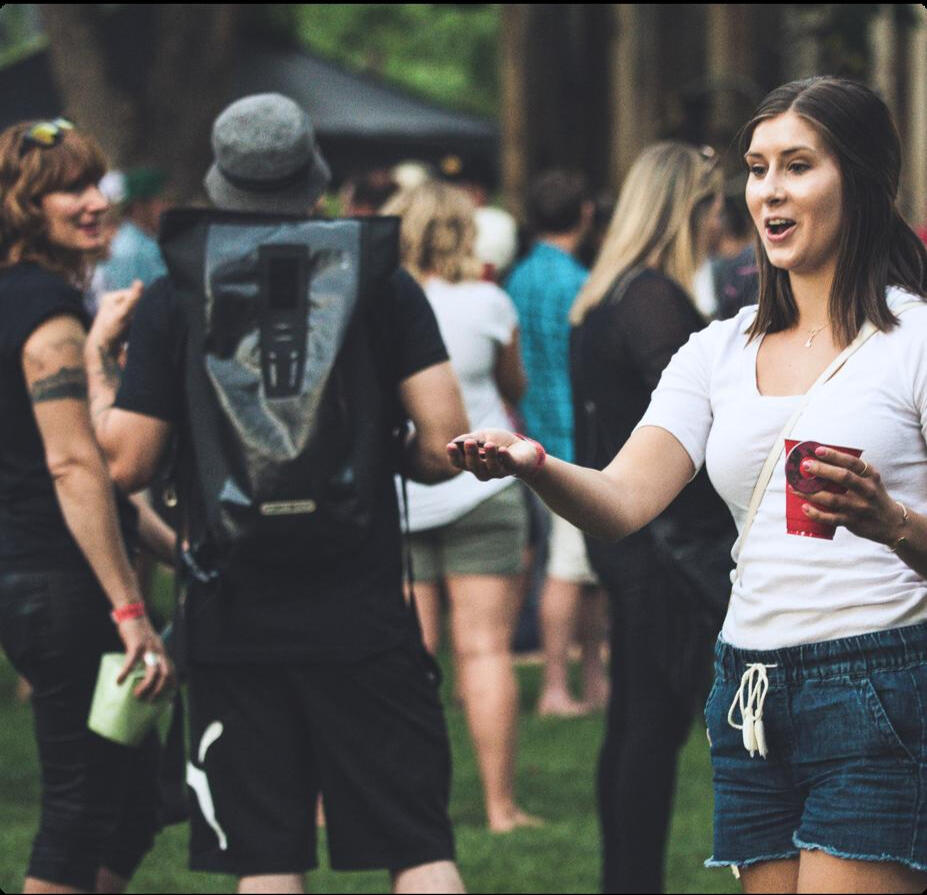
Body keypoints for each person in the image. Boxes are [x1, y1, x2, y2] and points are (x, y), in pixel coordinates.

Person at [448, 76, 927, 894]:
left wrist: (889, 521)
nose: (767, 191)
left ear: (863, 179)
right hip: (748, 690)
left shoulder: (911, 339)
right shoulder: (716, 350)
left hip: (879, 683)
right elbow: (622, 499)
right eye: (755, 166)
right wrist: (536, 466)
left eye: (797, 165)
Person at [84, 93, 468, 895]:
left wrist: (97, 365)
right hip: (362, 608)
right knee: (418, 847)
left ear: (221, 186)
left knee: (265, 857)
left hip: (231, 612)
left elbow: (125, 466)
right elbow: (443, 445)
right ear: (314, 184)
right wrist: (371, 453)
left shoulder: (172, 299)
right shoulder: (382, 284)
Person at [0, 118, 174, 894]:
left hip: (41, 573)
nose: (93, 200)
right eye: (67, 188)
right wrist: (129, 611)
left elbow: (88, 484)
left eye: (93, 180)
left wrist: (186, 551)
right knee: (83, 806)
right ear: (22, 207)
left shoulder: (28, 298)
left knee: (136, 800)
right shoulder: (44, 310)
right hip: (63, 585)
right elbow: (75, 464)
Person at [569, 141, 734, 893]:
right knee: (651, 725)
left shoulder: (607, 296)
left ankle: (624, 880)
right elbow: (700, 417)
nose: (718, 224)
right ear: (687, 209)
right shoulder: (652, 301)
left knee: (637, 720)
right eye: (713, 208)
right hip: (663, 542)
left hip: (628, 537)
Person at [381, 181, 539, 833]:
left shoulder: (379, 302)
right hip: (482, 485)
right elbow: (514, 386)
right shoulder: (489, 301)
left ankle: (399, 804)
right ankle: (500, 808)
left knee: (404, 656)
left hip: (402, 494)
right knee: (484, 651)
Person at [505, 169, 609, 717]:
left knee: (585, 567)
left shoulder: (515, 280)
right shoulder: (579, 284)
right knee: (567, 568)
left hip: (529, 430)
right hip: (571, 439)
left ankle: (593, 680)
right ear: (586, 214)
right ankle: (554, 686)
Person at [97, 166, 170, 291]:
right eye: (160, 201)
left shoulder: (146, 242)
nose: (167, 207)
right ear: (139, 208)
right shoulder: (129, 251)